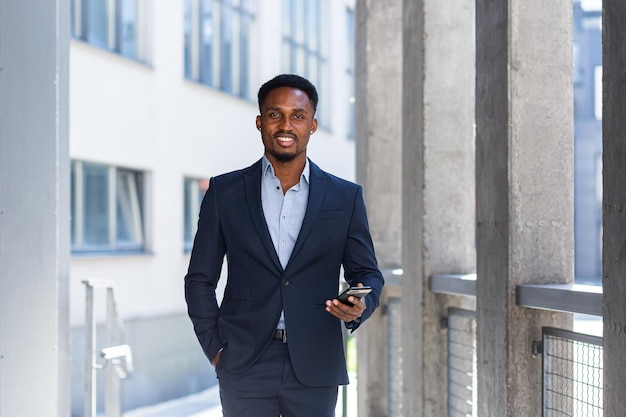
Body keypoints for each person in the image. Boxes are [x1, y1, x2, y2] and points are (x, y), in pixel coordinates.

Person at [184, 74, 384, 417]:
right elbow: (199, 279)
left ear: (313, 124)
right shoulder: (225, 193)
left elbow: (368, 273)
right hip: (244, 361)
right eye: (275, 114)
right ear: (260, 122)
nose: (286, 125)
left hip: (316, 361)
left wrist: (360, 305)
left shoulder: (345, 197)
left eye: (298, 115)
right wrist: (215, 347)